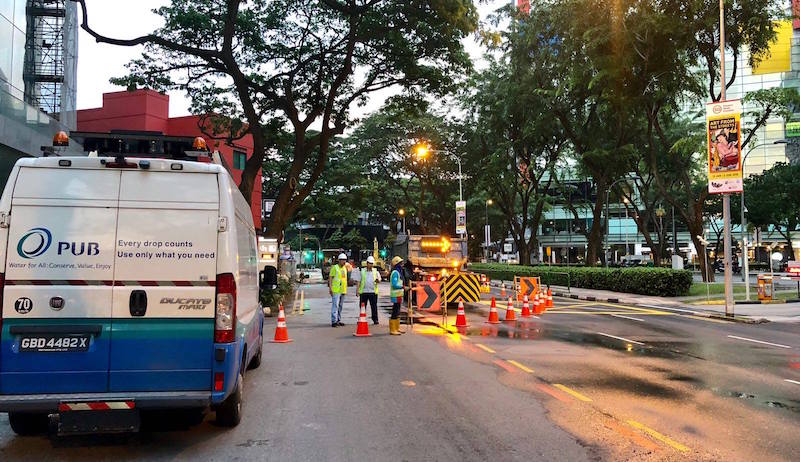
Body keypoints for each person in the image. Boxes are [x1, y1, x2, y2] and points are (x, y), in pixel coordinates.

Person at [358, 256, 382, 325]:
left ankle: (375, 319)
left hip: (373, 292)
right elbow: (359, 281)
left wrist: (378, 281)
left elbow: (379, 279)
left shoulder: (376, 271)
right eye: (369, 263)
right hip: (364, 291)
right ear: (367, 263)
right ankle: (361, 319)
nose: (371, 265)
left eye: (372, 263)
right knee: (362, 307)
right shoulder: (362, 271)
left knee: (374, 307)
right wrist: (357, 290)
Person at [329, 253, 348, 327]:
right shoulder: (335, 268)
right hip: (336, 290)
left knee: (340, 306)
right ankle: (334, 321)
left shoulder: (344, 268)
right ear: (339, 260)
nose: (344, 262)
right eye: (343, 260)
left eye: (345, 260)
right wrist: (330, 288)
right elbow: (330, 278)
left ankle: (338, 320)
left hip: (343, 289)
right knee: (335, 305)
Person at [389, 256, 405, 335]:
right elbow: (394, 284)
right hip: (395, 295)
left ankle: (397, 328)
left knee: (398, 311)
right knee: (395, 312)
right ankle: (393, 329)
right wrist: (403, 287)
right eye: (401, 263)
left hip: (399, 295)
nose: (402, 265)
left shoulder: (399, 272)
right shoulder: (395, 273)